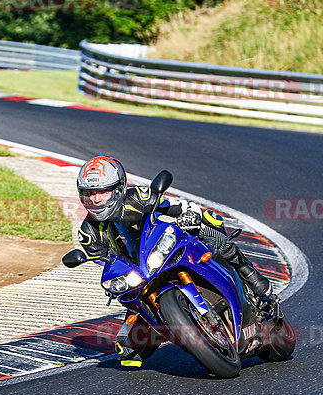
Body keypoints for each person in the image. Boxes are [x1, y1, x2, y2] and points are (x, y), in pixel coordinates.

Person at [75, 155, 272, 367]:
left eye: (102, 192)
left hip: (163, 248)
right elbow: (106, 263)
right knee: (128, 353)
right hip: (140, 275)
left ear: (119, 188)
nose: (95, 200)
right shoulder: (88, 234)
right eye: (89, 194)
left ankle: (249, 274)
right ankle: (177, 328)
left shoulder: (138, 197)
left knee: (209, 223)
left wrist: (189, 215)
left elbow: (177, 205)